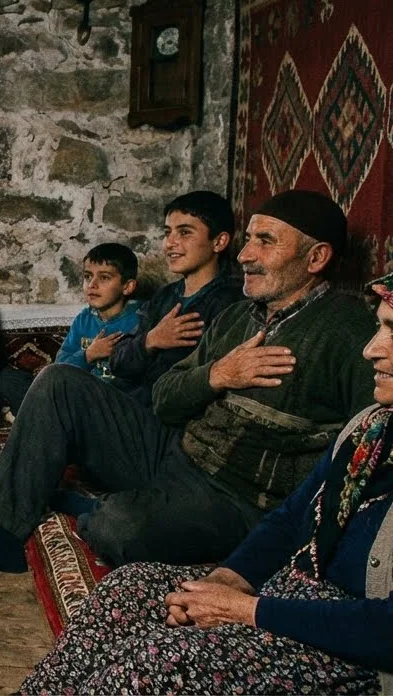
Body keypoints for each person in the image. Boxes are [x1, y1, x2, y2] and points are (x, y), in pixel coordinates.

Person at [0, 189, 377, 575]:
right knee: (57, 380)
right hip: (175, 450)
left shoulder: (350, 335)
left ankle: (95, 509)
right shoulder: (240, 315)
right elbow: (164, 401)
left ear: (316, 257)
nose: (245, 255)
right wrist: (217, 375)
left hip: (238, 499)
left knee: (118, 527)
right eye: (248, 241)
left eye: (265, 242)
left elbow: (365, 448)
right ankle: (4, 536)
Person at [20, 270, 393, 695]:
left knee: (157, 663)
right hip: (283, 587)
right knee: (123, 591)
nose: (371, 349)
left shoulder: (336, 335)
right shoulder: (370, 426)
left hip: (344, 640)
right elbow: (294, 517)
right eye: (379, 327)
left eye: (391, 331)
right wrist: (228, 579)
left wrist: (249, 610)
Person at [107, 190, 244, 408]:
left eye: (184, 233)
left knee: (59, 382)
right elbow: (118, 362)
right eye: (167, 232)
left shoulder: (232, 302)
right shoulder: (165, 296)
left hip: (156, 418)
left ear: (219, 241)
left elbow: (198, 382)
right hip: (126, 402)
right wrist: (150, 340)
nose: (169, 243)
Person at [0, 243, 141, 414]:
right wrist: (89, 355)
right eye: (88, 276)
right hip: (75, 396)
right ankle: (42, 416)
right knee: (10, 379)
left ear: (127, 287)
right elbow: (61, 366)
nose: (92, 284)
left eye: (104, 278)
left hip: (108, 406)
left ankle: (37, 417)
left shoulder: (140, 320)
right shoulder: (84, 319)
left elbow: (140, 378)